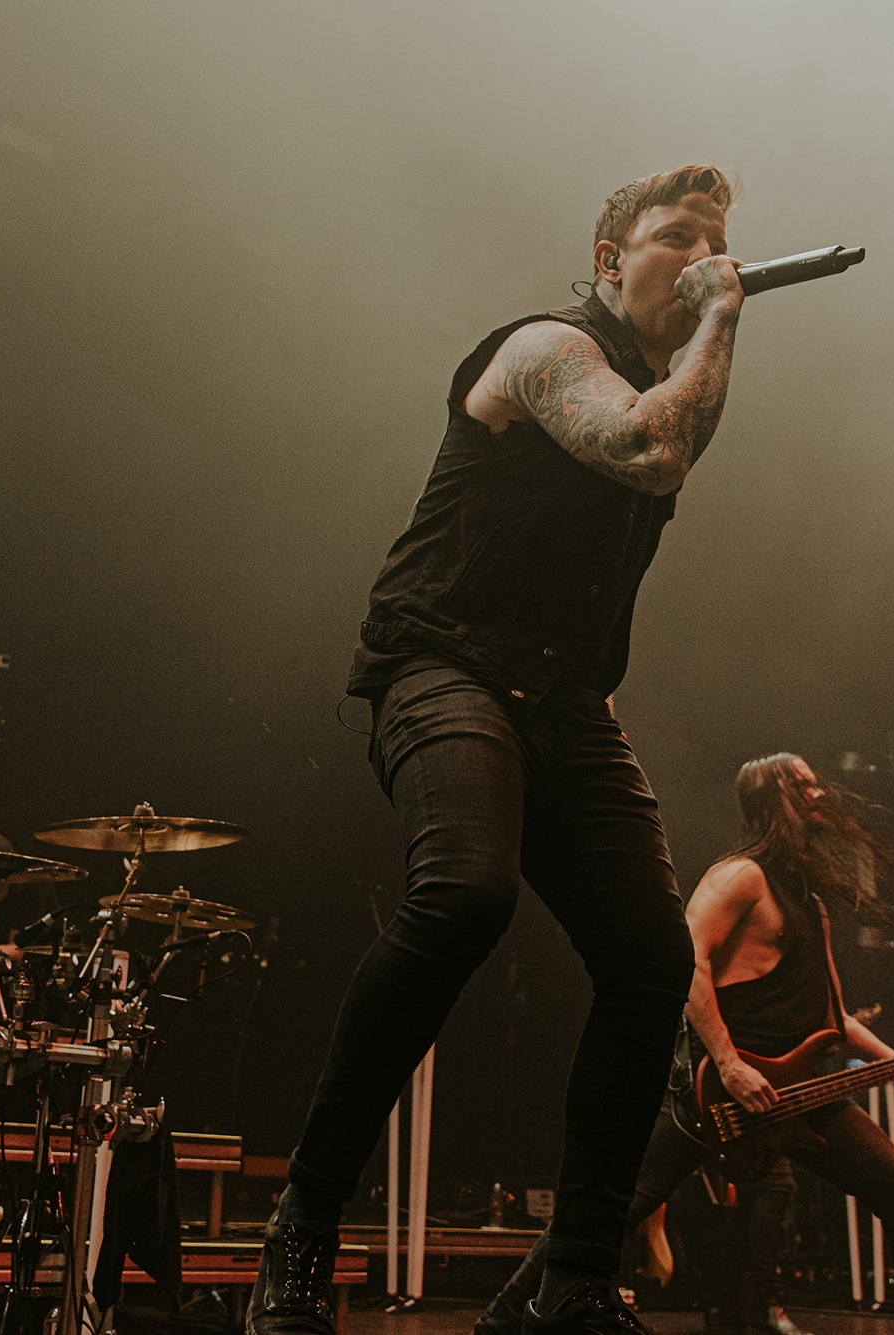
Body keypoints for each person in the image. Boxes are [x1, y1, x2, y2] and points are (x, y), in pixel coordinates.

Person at [249, 164, 749, 1335]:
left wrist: (707, 331)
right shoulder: (542, 349)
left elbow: (672, 437)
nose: (699, 258)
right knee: (465, 892)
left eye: (715, 241)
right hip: (443, 665)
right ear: (607, 261)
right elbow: (647, 450)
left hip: (566, 706)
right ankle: (304, 1221)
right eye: (674, 237)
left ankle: (570, 1282)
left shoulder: (674, 380)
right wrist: (721, 315)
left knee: (650, 958)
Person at [475, 754, 894, 1335]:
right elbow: (688, 960)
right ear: (769, 797)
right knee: (611, 1210)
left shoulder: (809, 902)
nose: (818, 794)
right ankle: (499, 1325)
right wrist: (730, 1064)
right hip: (717, 1089)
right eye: (802, 785)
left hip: (800, 1093)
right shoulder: (741, 876)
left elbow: (834, 1017)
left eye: (816, 784)